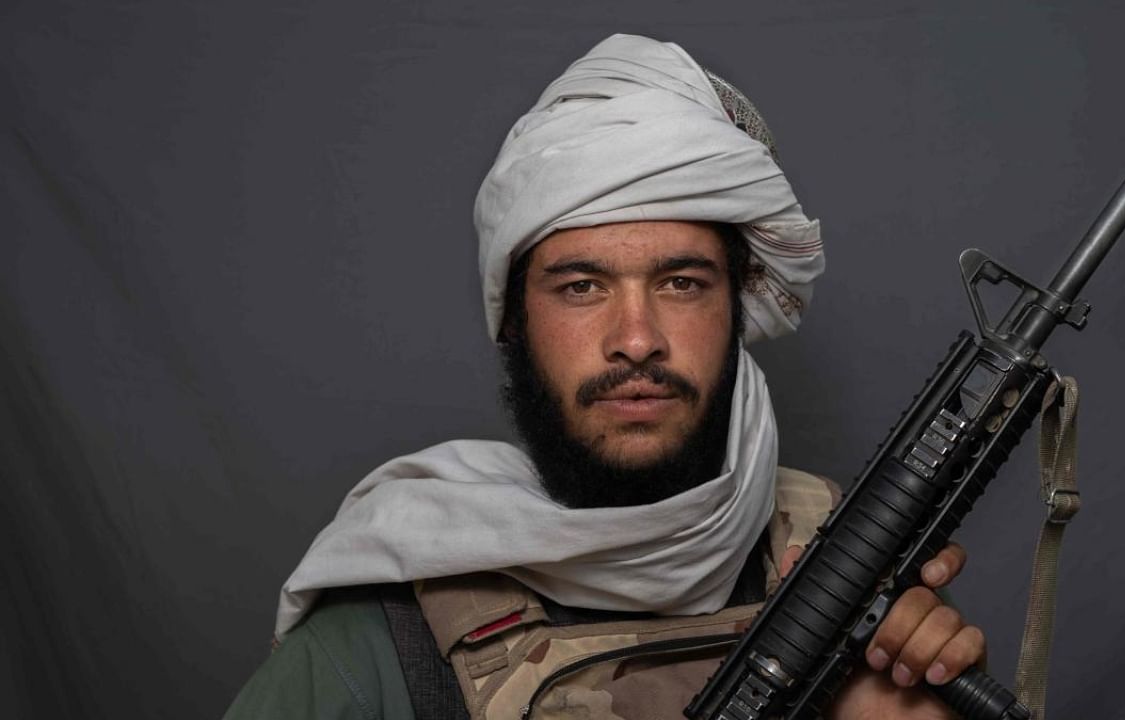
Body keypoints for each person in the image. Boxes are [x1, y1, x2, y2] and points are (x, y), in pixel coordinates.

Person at [224, 34, 985, 720]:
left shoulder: (846, 564)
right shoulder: (381, 640)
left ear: (736, 306)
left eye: (682, 283)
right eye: (581, 287)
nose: (636, 340)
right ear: (514, 321)